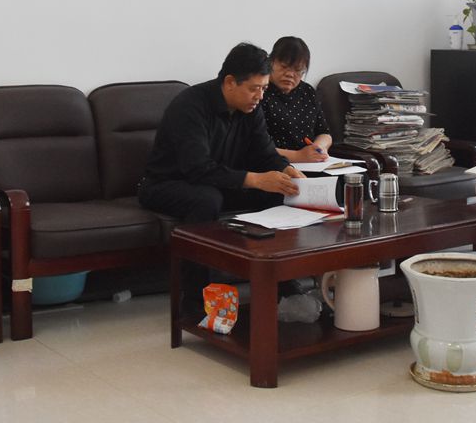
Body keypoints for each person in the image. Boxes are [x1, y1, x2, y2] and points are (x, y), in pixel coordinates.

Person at [138, 43, 305, 309]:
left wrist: (287, 171)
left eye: (264, 88)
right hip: (167, 184)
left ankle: (284, 284)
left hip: (221, 183)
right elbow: (197, 168)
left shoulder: (252, 108)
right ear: (229, 82)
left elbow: (265, 153)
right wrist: (257, 179)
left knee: (279, 192)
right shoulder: (190, 105)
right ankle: (195, 299)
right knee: (206, 199)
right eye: (254, 88)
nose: (260, 96)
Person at [260, 37, 333, 163]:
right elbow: (255, 145)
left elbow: (324, 132)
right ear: (271, 62)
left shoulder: (307, 91)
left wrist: (319, 147)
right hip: (275, 163)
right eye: (284, 67)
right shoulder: (260, 91)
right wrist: (298, 156)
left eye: (298, 70)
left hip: (310, 163)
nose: (290, 74)